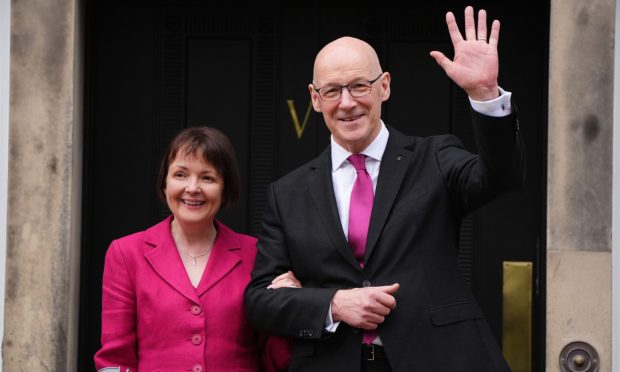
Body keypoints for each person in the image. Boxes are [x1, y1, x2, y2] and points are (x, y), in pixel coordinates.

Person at [245, 6, 524, 372]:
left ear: (384, 86)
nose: (347, 103)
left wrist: (486, 94)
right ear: (315, 99)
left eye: (360, 85)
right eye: (332, 91)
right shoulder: (289, 193)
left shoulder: (434, 157)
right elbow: (260, 301)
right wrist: (332, 304)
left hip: (438, 358)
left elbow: (501, 176)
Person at [94, 127, 300, 372]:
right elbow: (115, 358)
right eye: (180, 175)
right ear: (164, 183)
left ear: (225, 188)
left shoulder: (255, 254)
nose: (192, 188)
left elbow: (274, 358)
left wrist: (289, 307)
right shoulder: (126, 253)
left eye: (207, 178)